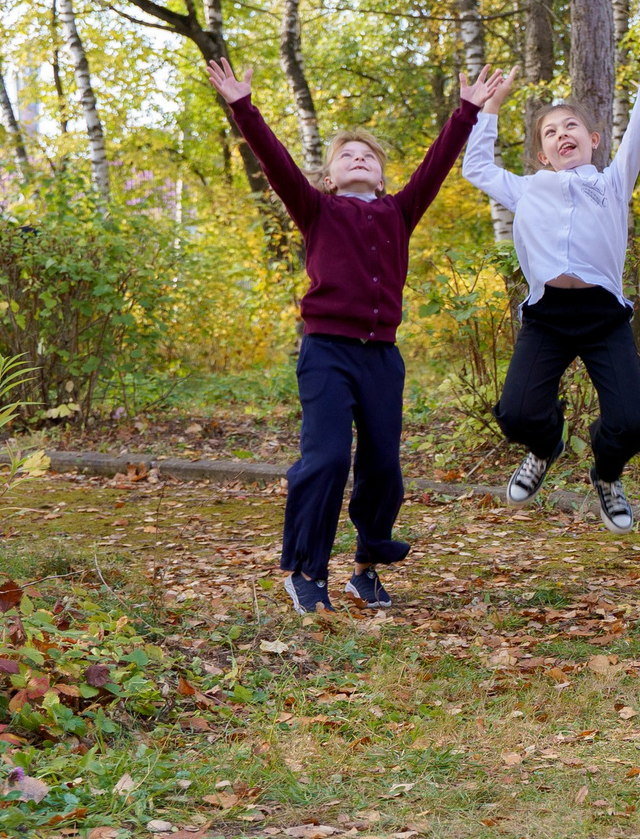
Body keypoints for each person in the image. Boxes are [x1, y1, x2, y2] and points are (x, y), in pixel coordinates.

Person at [203, 57, 499, 613]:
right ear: (330, 176)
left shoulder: (399, 211)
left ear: (383, 178)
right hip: (327, 353)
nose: (359, 158)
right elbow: (276, 162)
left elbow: (436, 165)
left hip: (382, 358)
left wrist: (467, 112)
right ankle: (305, 570)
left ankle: (365, 568)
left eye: (369, 156)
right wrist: (243, 106)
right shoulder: (315, 208)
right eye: (347, 155)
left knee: (384, 463)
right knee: (329, 456)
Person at [460, 8, 640, 531]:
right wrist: (490, 109)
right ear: (542, 153)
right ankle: (547, 445)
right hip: (548, 316)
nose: (562, 135)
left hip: (603, 316)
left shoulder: (613, 181)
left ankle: (606, 473)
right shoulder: (528, 187)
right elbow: (476, 167)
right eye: (551, 132)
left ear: (593, 139)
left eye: (571, 126)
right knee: (515, 414)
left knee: (633, 421)